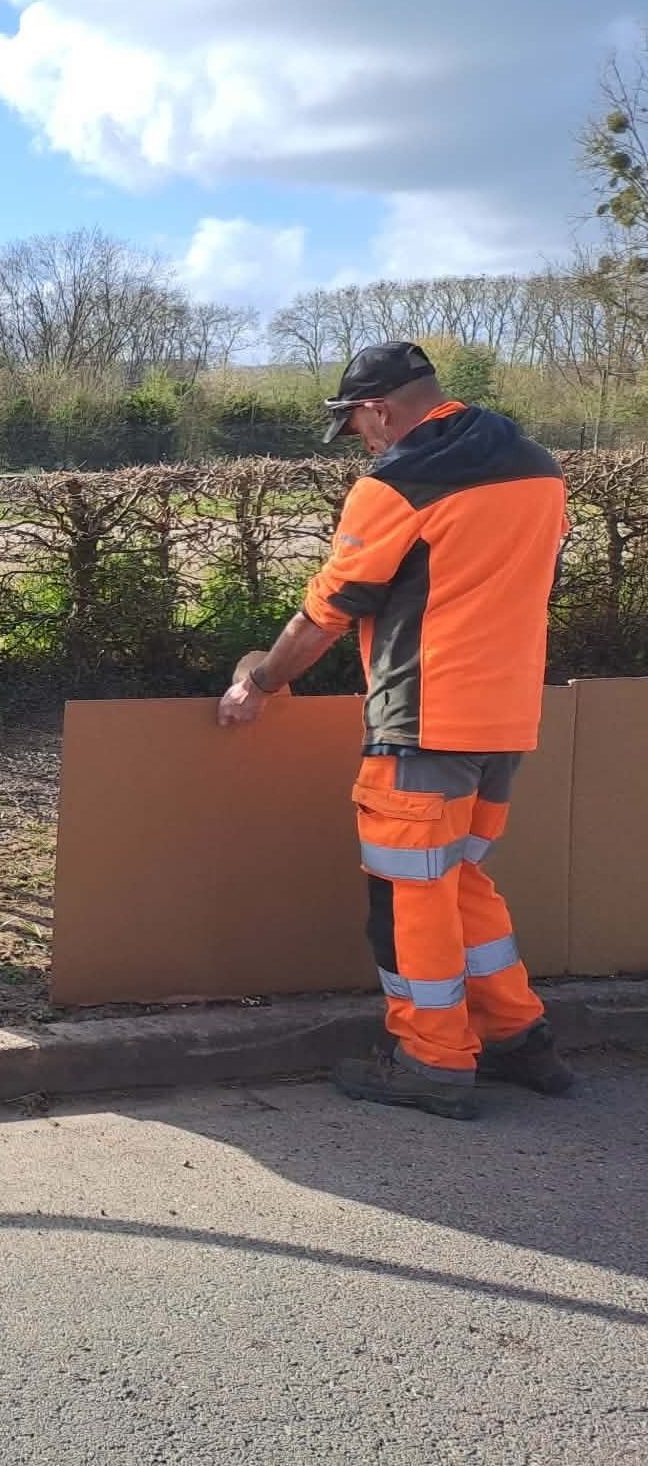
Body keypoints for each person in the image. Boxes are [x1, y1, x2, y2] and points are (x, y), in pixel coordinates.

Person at [217, 340, 575, 1120]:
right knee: (460, 881)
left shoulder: (397, 483)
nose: (361, 444)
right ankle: (518, 1035)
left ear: (378, 409)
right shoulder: (538, 466)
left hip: (422, 723)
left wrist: (261, 681)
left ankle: (431, 1060)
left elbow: (328, 612)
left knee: (407, 900)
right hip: (508, 720)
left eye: (357, 428)